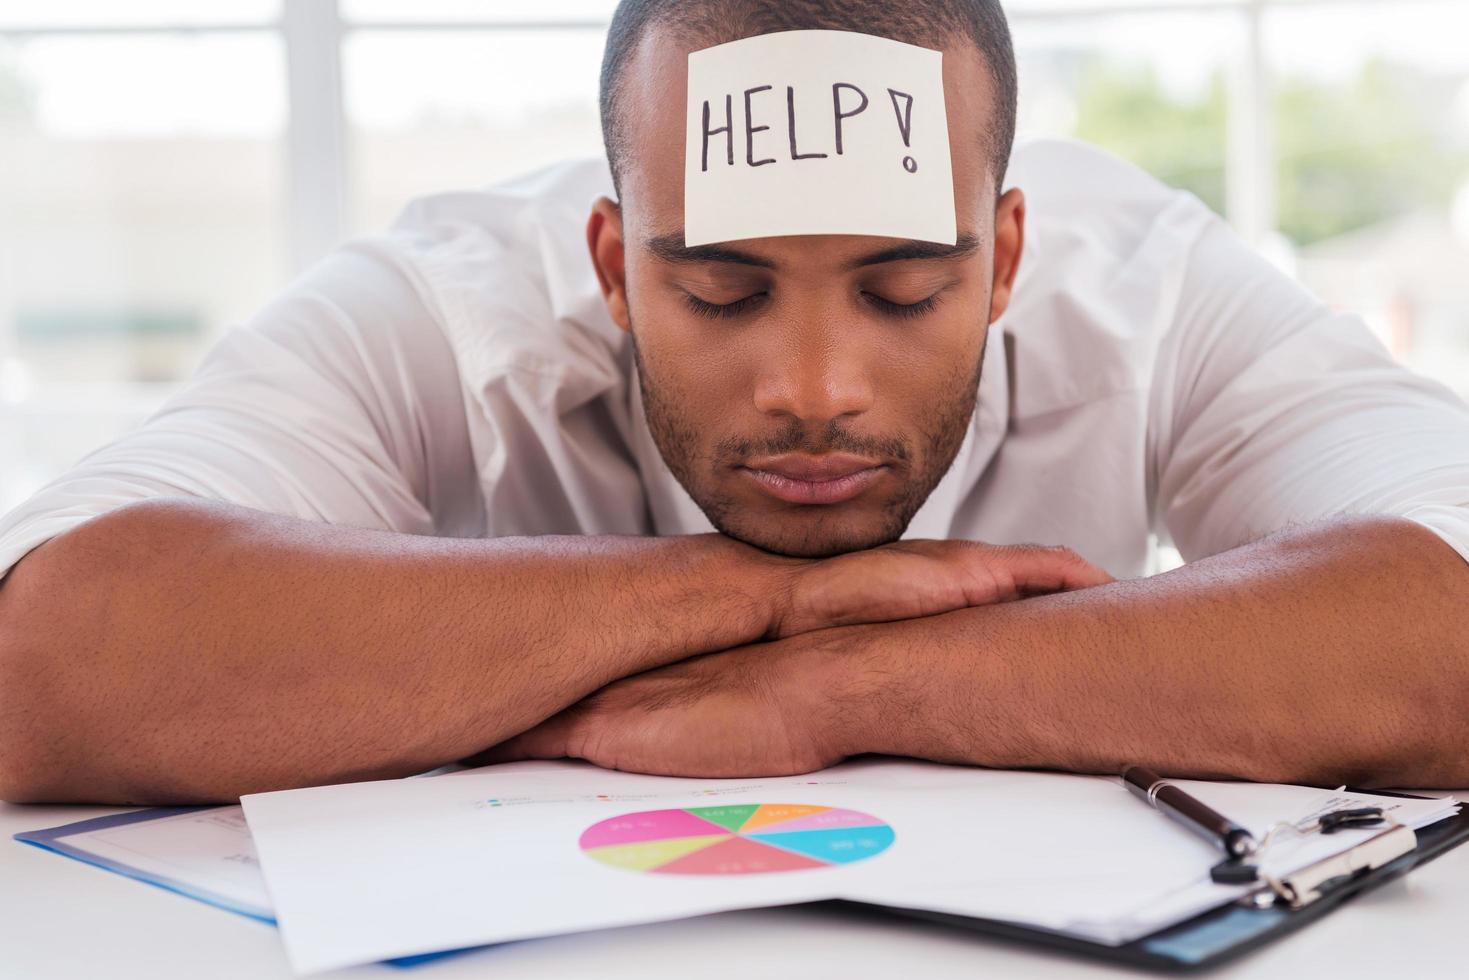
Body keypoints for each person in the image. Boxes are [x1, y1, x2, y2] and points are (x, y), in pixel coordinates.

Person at [1, 0, 1466, 806]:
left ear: (1006, 253)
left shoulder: (1151, 284)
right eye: (720, 292)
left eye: (902, 292)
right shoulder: (444, 304)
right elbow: (45, 654)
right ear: (612, 265)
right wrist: (754, 597)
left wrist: (841, 685)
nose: (812, 390)